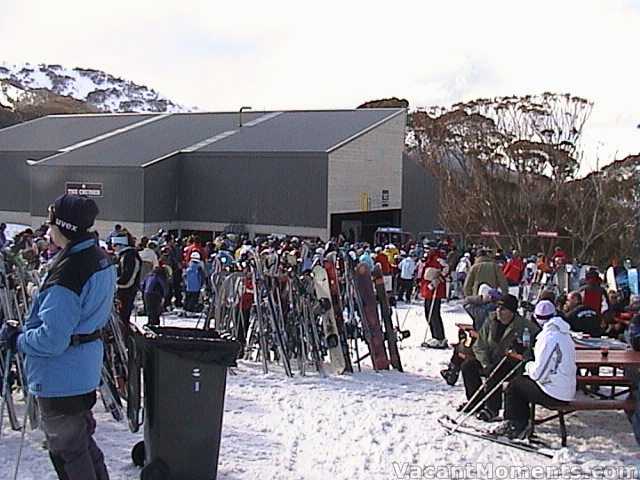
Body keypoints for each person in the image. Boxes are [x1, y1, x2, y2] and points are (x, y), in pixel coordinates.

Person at [0, 194, 115, 479]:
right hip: (82, 368)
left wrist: (18, 340)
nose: (48, 231)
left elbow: (52, 339)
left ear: (63, 226)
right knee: (82, 444)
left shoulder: (68, 273)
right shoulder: (98, 258)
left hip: (61, 376)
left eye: (51, 224)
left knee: (68, 452)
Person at [497, 300, 576, 439]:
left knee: (514, 386)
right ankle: (522, 422)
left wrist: (527, 362)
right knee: (521, 383)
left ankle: (515, 423)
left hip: (555, 393)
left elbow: (538, 374)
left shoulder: (549, 337)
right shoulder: (564, 333)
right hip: (565, 388)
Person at [460, 294, 540, 422]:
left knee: (496, 372)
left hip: (511, 363)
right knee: (468, 365)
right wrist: (485, 363)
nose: (499, 312)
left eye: (503, 309)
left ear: (512, 312)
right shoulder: (491, 321)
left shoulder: (524, 326)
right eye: (498, 308)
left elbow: (535, 347)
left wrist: (522, 350)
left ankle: (492, 408)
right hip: (490, 359)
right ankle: (475, 401)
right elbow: (479, 345)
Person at [113, 233, 142, 334]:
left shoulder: (130, 256)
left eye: (114, 245)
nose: (113, 248)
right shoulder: (123, 255)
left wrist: (116, 283)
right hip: (122, 291)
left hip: (126, 292)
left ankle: (125, 340)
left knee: (123, 319)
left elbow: (128, 278)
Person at [420, 249, 449, 348]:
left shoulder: (438, 260)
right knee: (428, 314)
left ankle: (439, 337)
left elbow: (445, 270)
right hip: (427, 290)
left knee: (434, 314)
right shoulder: (428, 260)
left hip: (434, 291)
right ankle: (434, 336)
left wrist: (438, 280)